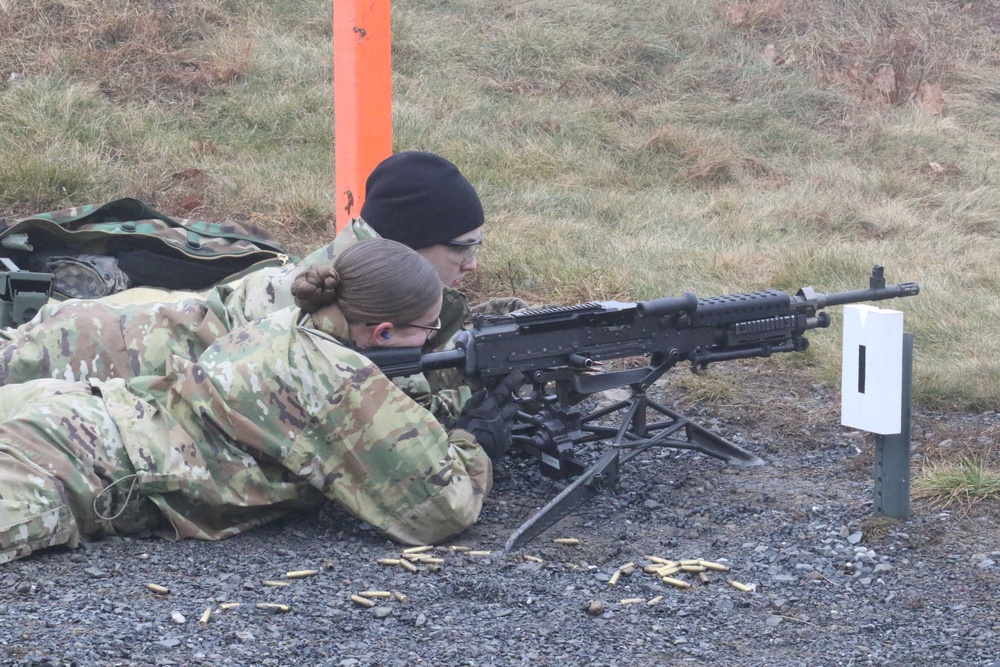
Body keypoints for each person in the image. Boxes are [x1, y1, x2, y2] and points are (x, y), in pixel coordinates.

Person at [0, 239, 521, 565]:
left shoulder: (295, 321)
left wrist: (455, 389)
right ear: (382, 331)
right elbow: (439, 512)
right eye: (429, 332)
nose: (433, 342)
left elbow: (385, 400)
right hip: (71, 464)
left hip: (75, 411)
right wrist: (476, 442)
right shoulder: (334, 379)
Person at [0, 152, 526, 401]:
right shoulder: (329, 302)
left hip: (109, 331)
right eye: (464, 246)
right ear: (412, 240)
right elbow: (385, 408)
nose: (473, 263)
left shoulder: (346, 276)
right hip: (96, 348)